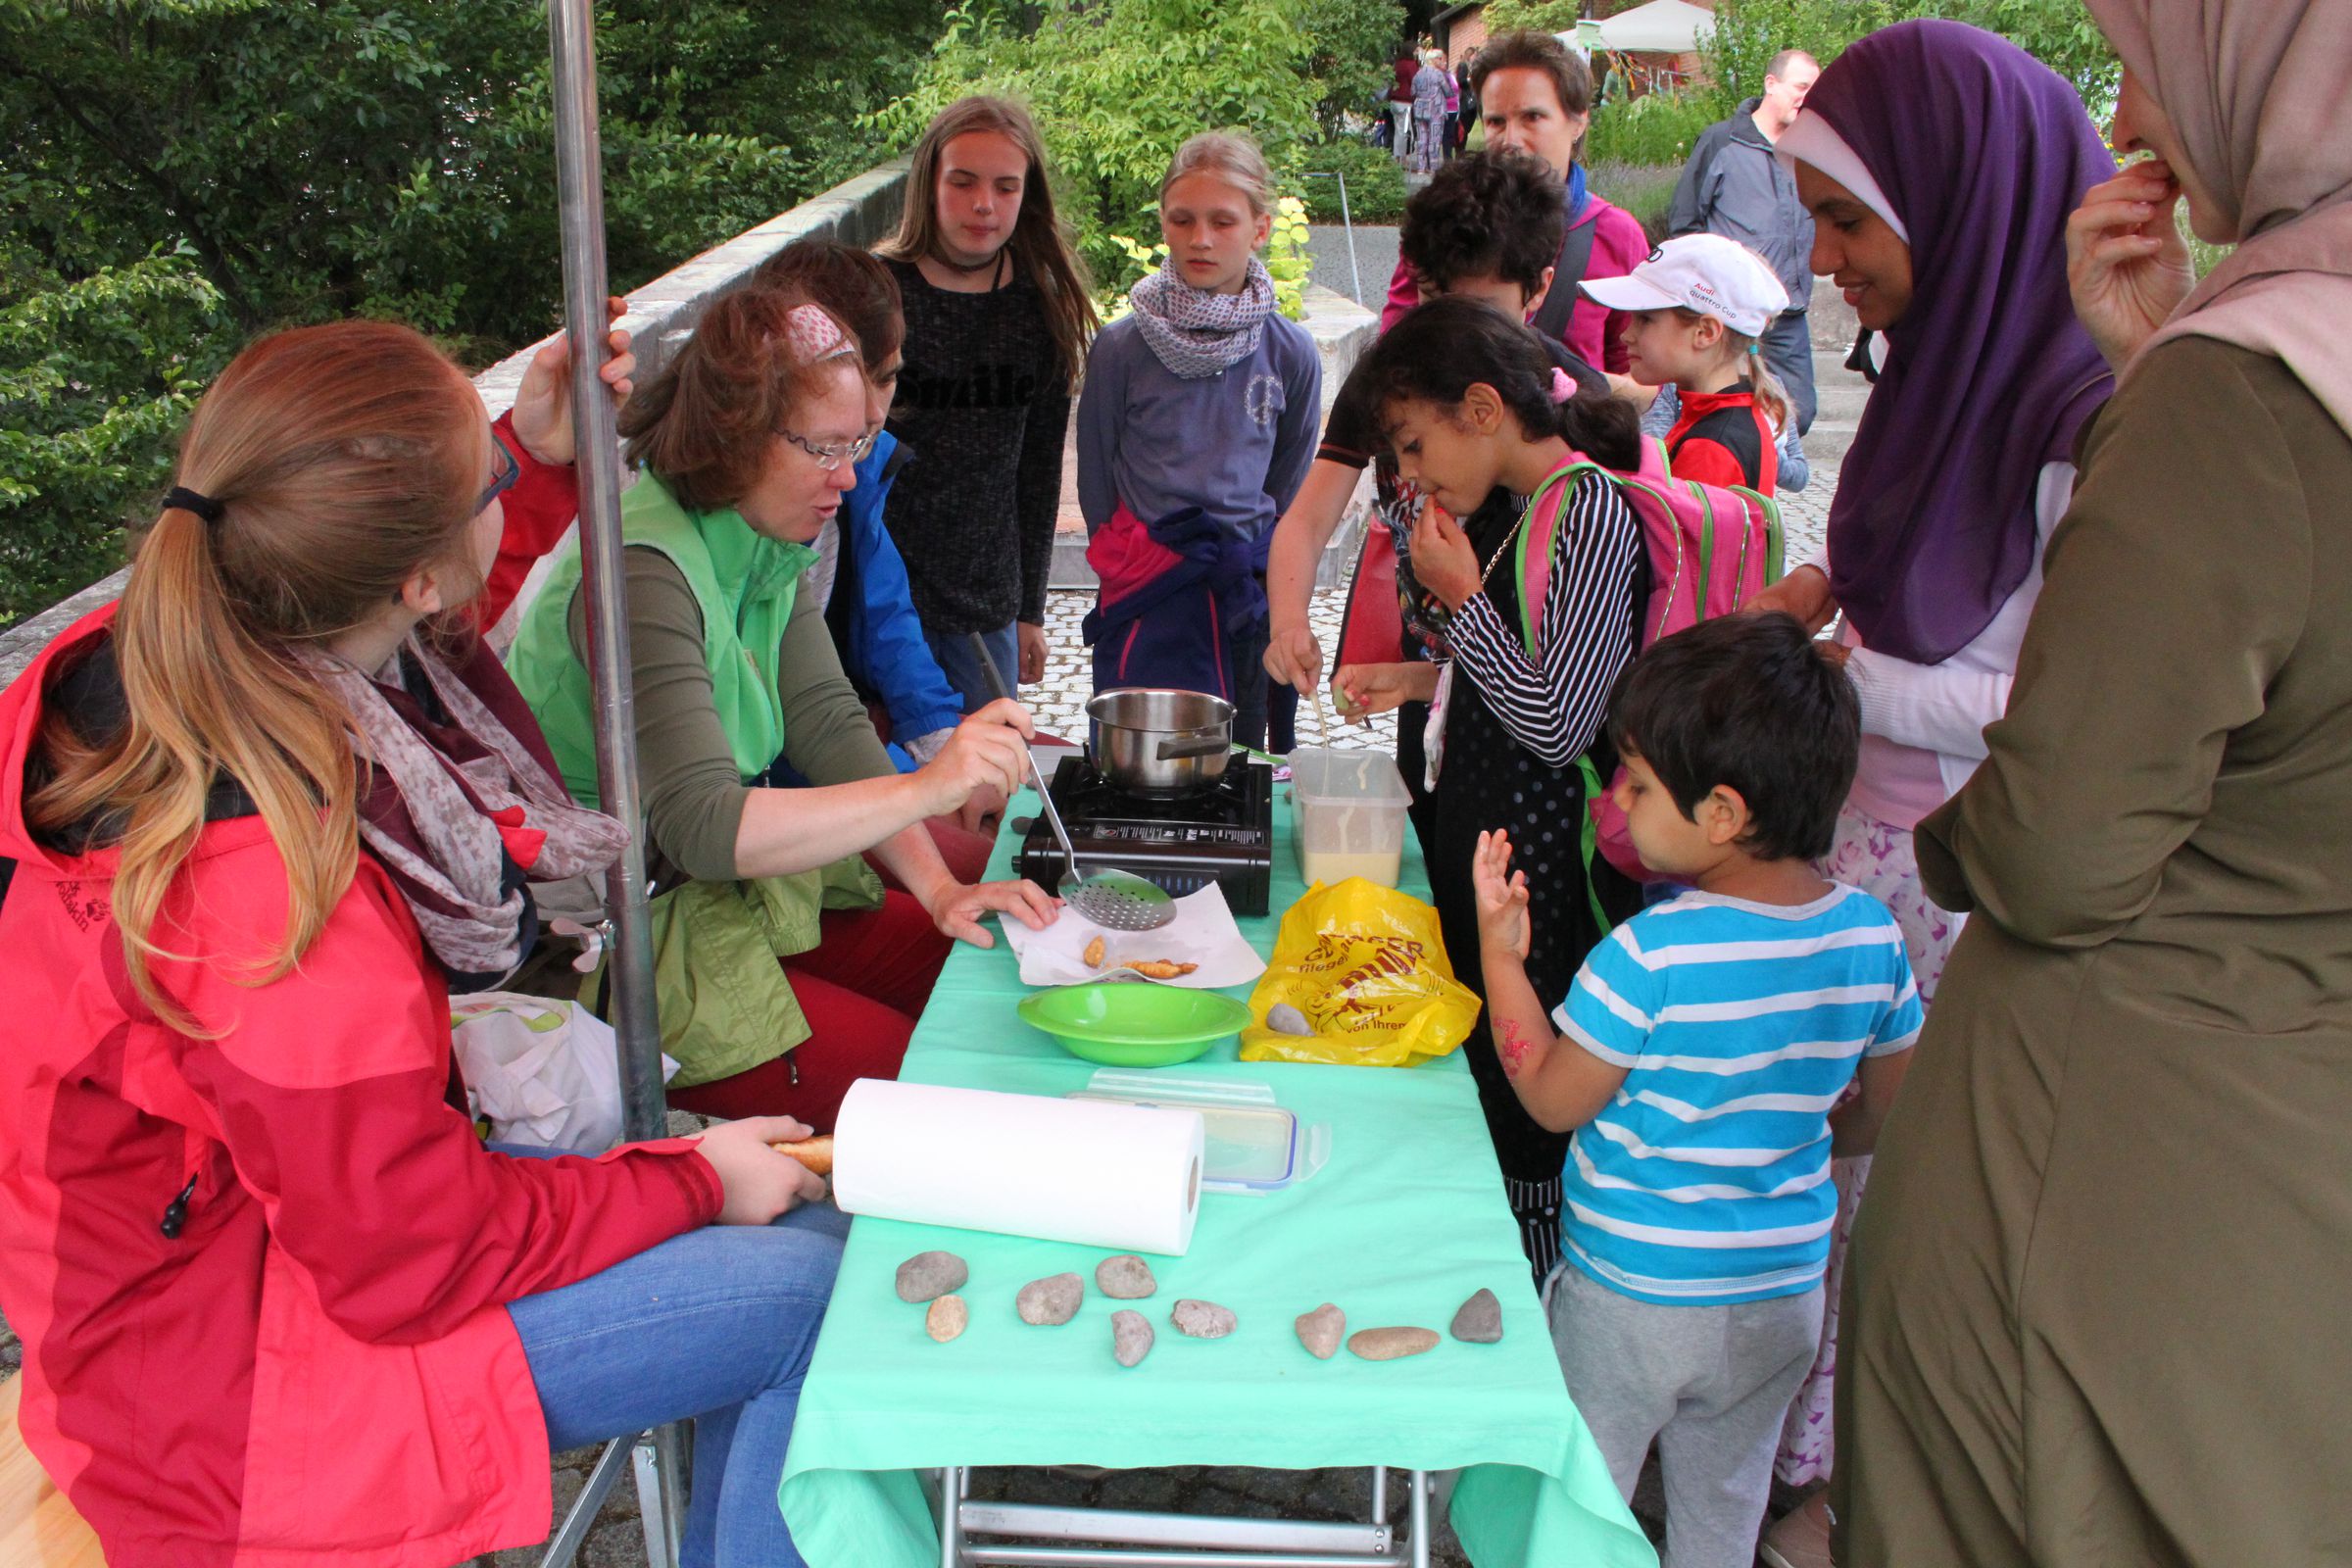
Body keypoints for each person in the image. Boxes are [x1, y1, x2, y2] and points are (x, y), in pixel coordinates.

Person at [0, 318, 848, 1568]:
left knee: (798, 1240)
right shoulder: (270, 893)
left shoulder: (173, 664)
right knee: (815, 1290)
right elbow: (410, 1253)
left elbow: (414, 645)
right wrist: (692, 1180)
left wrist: (537, 459)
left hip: (199, 1284)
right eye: (491, 480)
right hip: (236, 1394)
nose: (507, 494)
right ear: (412, 574)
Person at [1834, 4, 2352, 1564]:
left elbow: (2058, 840)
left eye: (2152, 53)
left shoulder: (2243, 394)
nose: (2125, 110)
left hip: (2126, 1144)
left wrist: (1942, 824)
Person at [1740, 22, 2118, 1565]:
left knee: (1890, 1203)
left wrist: (1846, 679)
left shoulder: (2084, 409)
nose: (1824, 259)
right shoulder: (1935, 361)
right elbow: (1894, 568)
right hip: (1859, 844)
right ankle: (1773, 1454)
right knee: (1815, 1169)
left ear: (1961, 197)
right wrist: (1815, 589)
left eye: (1845, 219)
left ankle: (1843, 1497)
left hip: (1957, 882)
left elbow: (2059, 699)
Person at [508, 284, 1057, 1131]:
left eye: (860, 442)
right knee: (929, 1089)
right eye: (825, 448)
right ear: (735, 438)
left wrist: (941, 887)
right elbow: (700, 824)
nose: (849, 475)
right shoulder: (643, 568)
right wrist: (927, 787)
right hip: (609, 947)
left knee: (983, 992)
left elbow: (829, 721)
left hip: (708, 897)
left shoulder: (766, 536)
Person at [1471, 611, 1919, 1568]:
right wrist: (1793, 1137)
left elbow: (1551, 1099)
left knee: (1579, 1497)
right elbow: (1885, 1108)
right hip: (1779, 1297)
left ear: (1720, 813)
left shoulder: (1648, 955)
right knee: (1724, 1504)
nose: (1620, 800)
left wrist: (1501, 956)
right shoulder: (1871, 937)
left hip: (1631, 1297)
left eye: (1637, 783)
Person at [1327, 295, 1647, 1275]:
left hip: (1548, 878)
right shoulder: (1519, 508)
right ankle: (1478, 1272)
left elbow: (1561, 723)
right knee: (1482, 1066)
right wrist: (1426, 677)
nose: (1413, 476)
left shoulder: (1588, 508)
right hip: (1494, 855)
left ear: (1482, 407)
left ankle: (1533, 1294)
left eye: (1416, 447)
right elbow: (1523, 671)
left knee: (1526, 1099)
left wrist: (1463, 602)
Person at [1263, 150, 1607, 841]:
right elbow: (1306, 519)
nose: (1445, 335)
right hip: (1439, 686)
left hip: (1532, 754)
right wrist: (1288, 621)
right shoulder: (1395, 377)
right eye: (1430, 299)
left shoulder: (1569, 421)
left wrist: (1462, 599)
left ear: (1538, 290)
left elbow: (1561, 711)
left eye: (1476, 309)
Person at [754, 238, 999, 885]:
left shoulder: (854, 469)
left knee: (990, 869)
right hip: (752, 846)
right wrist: (922, 792)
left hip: (809, 798)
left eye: (887, 377)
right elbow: (713, 811)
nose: (871, 418)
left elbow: (851, 675)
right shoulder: (693, 538)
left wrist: (943, 759)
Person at [1075, 131, 1321, 751]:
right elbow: (1097, 475)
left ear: (1260, 228)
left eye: (1222, 221)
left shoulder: (1290, 353)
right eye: (1182, 220)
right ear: (1163, 222)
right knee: (1147, 756)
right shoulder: (1121, 349)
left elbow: (1288, 478)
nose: (1201, 239)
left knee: (1248, 759)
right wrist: (1133, 558)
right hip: (1149, 585)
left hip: (1244, 588)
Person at [872, 96, 1098, 711]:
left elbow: (1039, 470)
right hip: (870, 602)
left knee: (980, 797)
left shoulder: (1041, 308)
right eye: (963, 182)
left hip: (984, 609)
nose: (983, 204)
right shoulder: (871, 293)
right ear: (929, 183)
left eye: (1005, 186)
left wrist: (1031, 609)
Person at [1381, 30, 1649, 380]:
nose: (1511, 141)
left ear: (1578, 121)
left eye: (1532, 118)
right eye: (1496, 121)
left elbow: (1643, 381)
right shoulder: (1442, 217)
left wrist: (1561, 390)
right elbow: (1392, 350)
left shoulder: (1616, 234)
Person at [1667, 49, 1822, 438]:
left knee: (1799, 413)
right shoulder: (1723, 140)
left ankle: (1753, 478)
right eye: (1801, 87)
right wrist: (1701, 294)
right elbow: (1684, 221)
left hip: (1787, 312)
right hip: (1728, 314)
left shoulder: (1811, 149)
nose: (1807, 97)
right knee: (1719, 409)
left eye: (1814, 90)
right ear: (1772, 84)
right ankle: (1725, 485)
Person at [1582, 232, 1794, 492]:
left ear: (1705, 332)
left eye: (1645, 319)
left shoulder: (1710, 448)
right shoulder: (1725, 414)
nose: (1626, 335)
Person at [1409, 50, 1451, 176]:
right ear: (1433, 60)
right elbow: (1448, 92)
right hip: (1436, 109)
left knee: (1422, 138)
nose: (1442, 61)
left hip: (1420, 109)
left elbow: (1412, 92)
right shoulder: (1438, 74)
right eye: (1439, 58)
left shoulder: (1418, 74)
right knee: (1434, 138)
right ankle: (1433, 166)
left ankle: (1421, 167)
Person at [1388, 44, 1419, 165]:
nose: (1417, 53)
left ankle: (1397, 156)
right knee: (1405, 131)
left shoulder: (1397, 64)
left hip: (1394, 100)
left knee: (1398, 130)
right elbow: (1415, 81)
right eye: (1416, 50)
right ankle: (1402, 158)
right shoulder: (1411, 65)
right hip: (1405, 101)